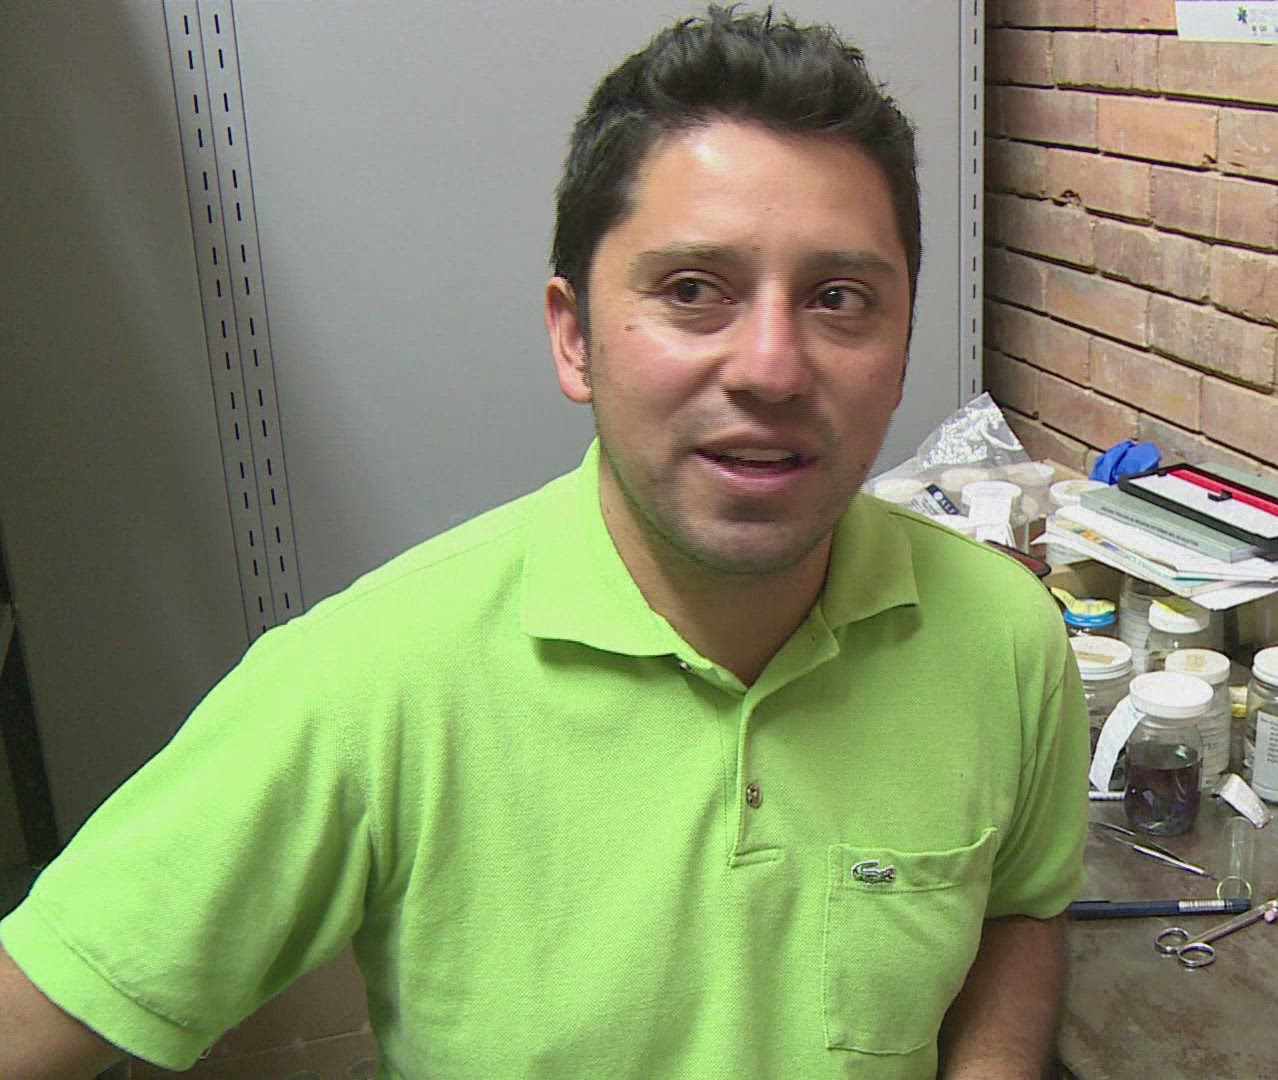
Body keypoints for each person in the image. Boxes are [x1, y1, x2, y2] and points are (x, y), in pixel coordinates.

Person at [0, 6, 1088, 1077]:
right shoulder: (368, 685)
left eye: (839, 298)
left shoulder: (1005, 638)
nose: (771, 367)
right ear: (574, 339)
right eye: (693, 291)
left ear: (902, 350)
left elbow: (1021, 909)